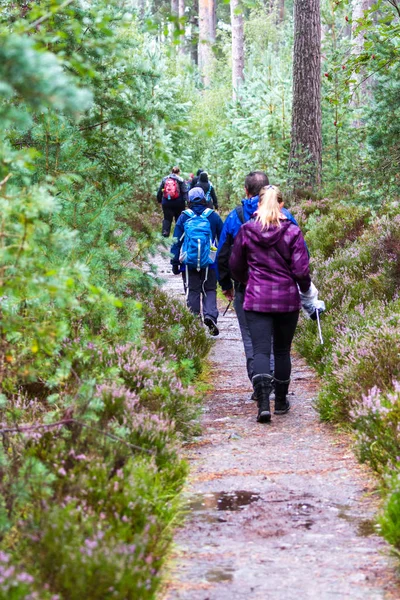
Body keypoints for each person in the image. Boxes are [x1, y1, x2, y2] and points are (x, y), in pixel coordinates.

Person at [229, 185, 314, 423]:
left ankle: (263, 404)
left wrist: (249, 281)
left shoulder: (246, 230)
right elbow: (301, 270)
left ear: (258, 205)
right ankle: (282, 401)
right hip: (287, 301)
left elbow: (235, 266)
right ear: (281, 204)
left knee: (261, 351)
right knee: (282, 350)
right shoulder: (292, 232)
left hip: (256, 300)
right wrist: (307, 292)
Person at [217, 172, 301, 388]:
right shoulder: (286, 216)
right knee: (277, 342)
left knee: (252, 339)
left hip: (248, 288)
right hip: (283, 291)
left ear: (246, 190)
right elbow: (300, 255)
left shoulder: (235, 217)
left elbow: (224, 255)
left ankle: (259, 384)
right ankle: (274, 380)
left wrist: (227, 285)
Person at [170, 187, 224, 336]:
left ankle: (194, 323)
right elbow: (223, 240)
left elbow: (176, 241)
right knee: (210, 289)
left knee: (192, 290)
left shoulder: (184, 217)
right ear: (205, 200)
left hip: (188, 262)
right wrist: (222, 262)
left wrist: (175, 262)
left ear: (189, 200)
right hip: (210, 262)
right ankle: (210, 316)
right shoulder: (213, 216)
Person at [157, 166, 188, 237]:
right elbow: (184, 192)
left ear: (171, 172)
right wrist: (187, 203)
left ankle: (165, 233)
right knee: (179, 219)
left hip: (167, 202)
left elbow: (159, 191)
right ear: (179, 172)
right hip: (179, 203)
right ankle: (179, 235)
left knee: (167, 218)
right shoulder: (181, 180)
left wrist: (159, 200)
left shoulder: (165, 179)